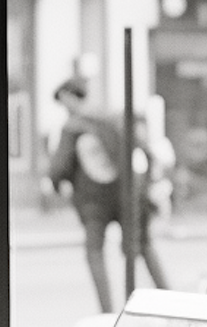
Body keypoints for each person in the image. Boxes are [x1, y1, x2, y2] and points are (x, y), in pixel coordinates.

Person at [48, 76, 168, 313]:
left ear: (69, 97)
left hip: (93, 200)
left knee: (94, 252)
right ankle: (169, 301)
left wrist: (55, 185)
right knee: (142, 246)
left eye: (63, 102)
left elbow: (59, 168)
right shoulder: (113, 118)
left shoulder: (73, 126)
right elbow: (146, 153)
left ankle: (107, 312)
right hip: (128, 195)